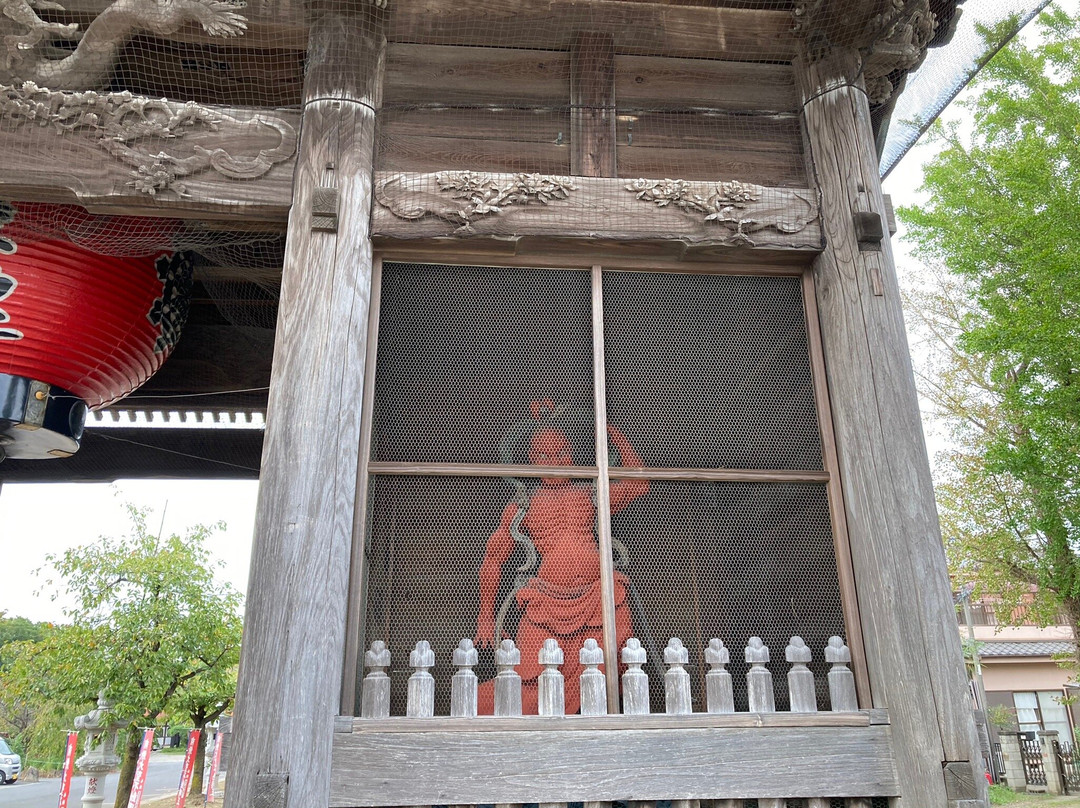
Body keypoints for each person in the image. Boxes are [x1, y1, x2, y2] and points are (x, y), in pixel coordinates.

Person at [475, 401, 649, 714]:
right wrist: (486, 616)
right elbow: (494, 557)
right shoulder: (523, 504)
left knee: (618, 670)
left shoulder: (589, 493)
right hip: (545, 603)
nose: (553, 462)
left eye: (560, 454)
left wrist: (611, 432)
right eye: (543, 456)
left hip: (601, 596)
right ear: (530, 459)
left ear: (571, 453)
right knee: (528, 677)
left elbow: (639, 483)